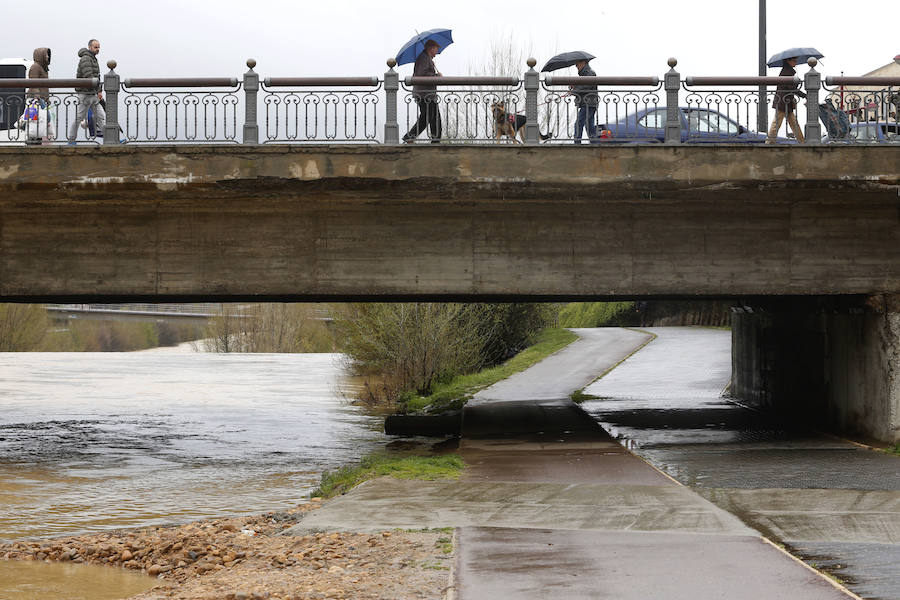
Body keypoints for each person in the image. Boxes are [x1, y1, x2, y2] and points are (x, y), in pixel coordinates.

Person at [402, 39, 442, 143]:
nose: (436, 53)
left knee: (434, 117)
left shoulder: (426, 58)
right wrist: (436, 76)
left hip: (428, 94)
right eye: (436, 50)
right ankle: (410, 136)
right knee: (428, 116)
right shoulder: (424, 58)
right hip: (424, 94)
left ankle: (436, 140)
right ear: (431, 48)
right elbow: (422, 74)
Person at [67, 39, 105, 143]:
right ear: (90, 47)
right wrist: (99, 90)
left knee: (101, 117)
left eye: (99, 47)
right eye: (95, 47)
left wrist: (98, 91)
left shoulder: (92, 58)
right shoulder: (86, 59)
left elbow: (96, 77)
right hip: (85, 93)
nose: (98, 49)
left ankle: (110, 139)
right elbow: (89, 76)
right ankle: (71, 140)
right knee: (79, 117)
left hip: (92, 93)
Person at [766, 56, 806, 144]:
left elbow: (789, 87)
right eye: (794, 60)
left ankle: (802, 142)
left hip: (785, 101)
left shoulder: (787, 71)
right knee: (777, 123)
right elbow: (789, 87)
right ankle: (769, 143)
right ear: (788, 61)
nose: (796, 62)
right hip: (783, 102)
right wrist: (802, 93)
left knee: (793, 123)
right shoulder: (787, 72)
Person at [572, 59, 598, 144]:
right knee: (589, 126)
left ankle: (577, 143)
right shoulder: (586, 74)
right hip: (589, 103)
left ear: (583, 63)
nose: (576, 66)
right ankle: (594, 144)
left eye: (577, 64)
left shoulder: (589, 73)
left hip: (588, 103)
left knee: (579, 123)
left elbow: (585, 86)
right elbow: (583, 86)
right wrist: (574, 86)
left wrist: (573, 91)